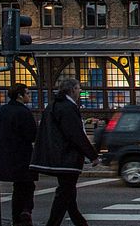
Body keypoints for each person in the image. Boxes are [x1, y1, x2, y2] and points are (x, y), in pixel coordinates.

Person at [30, 79, 99, 226]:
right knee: (65, 193)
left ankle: (80, 222)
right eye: (79, 88)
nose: (80, 91)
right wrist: (92, 155)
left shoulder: (54, 105)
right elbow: (75, 134)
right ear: (72, 89)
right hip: (66, 157)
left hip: (57, 155)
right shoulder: (67, 107)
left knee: (68, 193)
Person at [0, 83, 38, 226]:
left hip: (4, 158)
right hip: (22, 157)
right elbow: (32, 135)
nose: (29, 96)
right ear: (20, 96)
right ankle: (25, 212)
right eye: (27, 93)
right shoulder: (24, 112)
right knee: (27, 186)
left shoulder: (1, 111)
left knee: (19, 188)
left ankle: (18, 217)